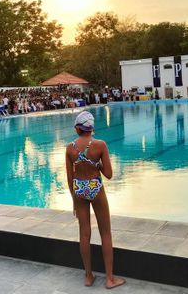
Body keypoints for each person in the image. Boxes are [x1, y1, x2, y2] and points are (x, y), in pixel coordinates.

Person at [65, 111, 124, 290]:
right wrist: (97, 164)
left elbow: (70, 178)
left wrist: (74, 200)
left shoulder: (70, 148)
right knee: (105, 233)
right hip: (95, 188)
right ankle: (109, 279)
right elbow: (109, 174)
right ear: (91, 128)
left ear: (78, 128)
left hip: (80, 189)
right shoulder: (100, 145)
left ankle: (89, 276)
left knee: (84, 233)